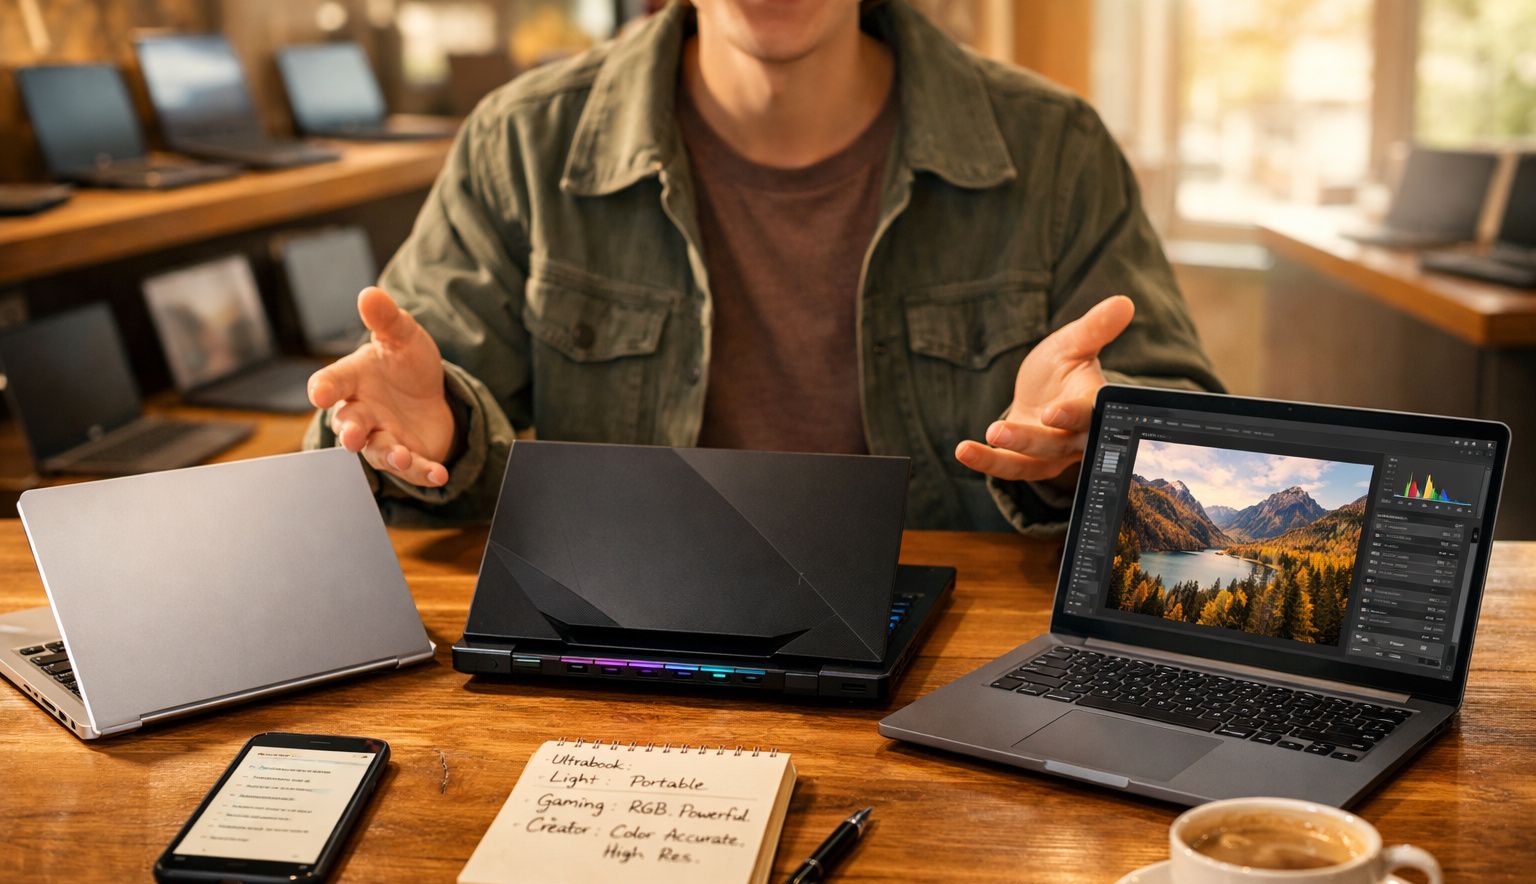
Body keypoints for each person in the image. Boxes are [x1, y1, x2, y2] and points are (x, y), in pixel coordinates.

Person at [305, 0, 1222, 533]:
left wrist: (1082, 446)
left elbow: (1189, 437)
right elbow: (394, 416)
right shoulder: (522, 142)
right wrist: (431, 436)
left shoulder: (1056, 148)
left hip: (956, 671)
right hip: (630, 661)